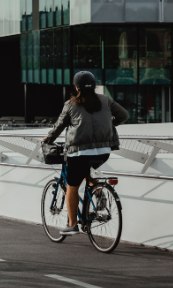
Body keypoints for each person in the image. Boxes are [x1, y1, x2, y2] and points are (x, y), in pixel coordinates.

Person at [43, 71, 129, 236]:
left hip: (79, 153)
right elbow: (123, 115)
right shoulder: (105, 100)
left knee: (72, 186)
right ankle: (98, 190)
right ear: (94, 86)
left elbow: (58, 127)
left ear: (76, 87)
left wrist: (48, 139)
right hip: (104, 152)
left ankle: (72, 224)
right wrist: (110, 125)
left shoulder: (71, 104)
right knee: (86, 171)